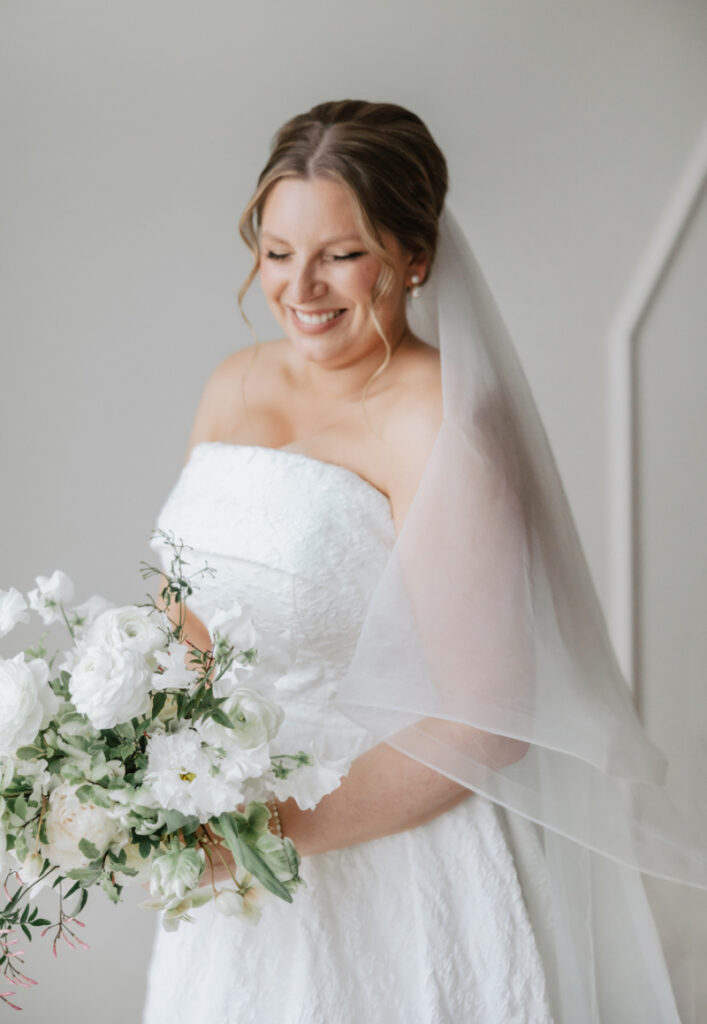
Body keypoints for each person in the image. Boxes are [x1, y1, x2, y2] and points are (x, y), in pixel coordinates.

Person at [142, 101, 704, 1023]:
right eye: (278, 252)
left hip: (389, 866)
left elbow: (484, 722)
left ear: (414, 255)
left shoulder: (442, 418)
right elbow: (179, 611)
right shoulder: (231, 382)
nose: (301, 287)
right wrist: (138, 764)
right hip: (227, 860)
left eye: (342, 253)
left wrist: (261, 830)